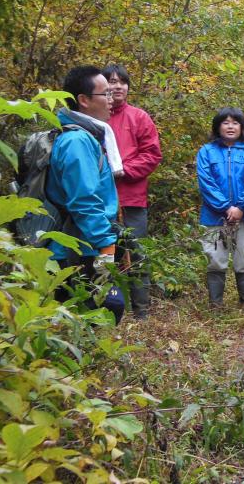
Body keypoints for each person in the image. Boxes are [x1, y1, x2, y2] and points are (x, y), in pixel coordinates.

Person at [47, 66, 123, 323]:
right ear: (84, 100)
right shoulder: (77, 141)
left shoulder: (88, 136)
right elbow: (84, 200)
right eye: (106, 95)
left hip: (83, 244)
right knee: (97, 312)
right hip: (74, 250)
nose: (111, 101)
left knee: (102, 310)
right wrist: (106, 244)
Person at [103, 64, 162, 320]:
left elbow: (152, 154)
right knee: (104, 253)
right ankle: (107, 308)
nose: (117, 86)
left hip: (132, 197)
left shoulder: (139, 117)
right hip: (100, 199)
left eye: (122, 82)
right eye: (111, 81)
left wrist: (124, 170)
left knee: (136, 251)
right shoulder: (94, 118)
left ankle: (141, 309)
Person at [196, 108, 244, 313]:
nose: (230, 126)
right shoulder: (206, 152)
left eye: (235, 122)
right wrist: (226, 207)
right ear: (218, 126)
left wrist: (241, 207)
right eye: (225, 122)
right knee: (216, 260)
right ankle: (215, 305)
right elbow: (205, 182)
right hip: (214, 216)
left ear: (241, 127)